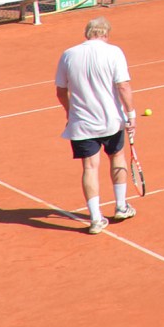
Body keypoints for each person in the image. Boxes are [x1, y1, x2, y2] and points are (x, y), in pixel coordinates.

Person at [55, 16, 136, 234]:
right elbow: (123, 87)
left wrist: (70, 112)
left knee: (89, 167)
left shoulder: (68, 54)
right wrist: (131, 114)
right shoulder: (114, 52)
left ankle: (95, 218)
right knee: (117, 157)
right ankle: (121, 206)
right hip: (111, 121)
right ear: (106, 34)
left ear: (87, 33)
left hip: (81, 123)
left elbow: (61, 92)